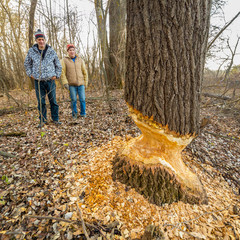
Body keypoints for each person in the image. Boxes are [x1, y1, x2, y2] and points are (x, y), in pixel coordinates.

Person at [24, 29, 62, 128]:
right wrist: (30, 74)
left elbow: (58, 65)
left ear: (45, 40)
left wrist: (57, 75)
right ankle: (42, 120)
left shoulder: (51, 51)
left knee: (53, 101)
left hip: (50, 80)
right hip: (38, 81)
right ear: (36, 41)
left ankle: (55, 119)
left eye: (42, 39)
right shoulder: (32, 51)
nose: (41, 41)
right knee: (41, 102)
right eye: (39, 39)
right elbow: (27, 64)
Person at [60, 44, 88, 119]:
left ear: (75, 51)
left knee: (82, 99)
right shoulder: (64, 60)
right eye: (70, 50)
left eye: (73, 50)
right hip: (71, 84)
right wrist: (65, 83)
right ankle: (74, 114)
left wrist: (85, 82)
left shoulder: (80, 60)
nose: (72, 51)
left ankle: (83, 113)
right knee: (73, 100)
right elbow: (62, 72)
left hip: (81, 84)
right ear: (68, 51)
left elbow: (84, 72)